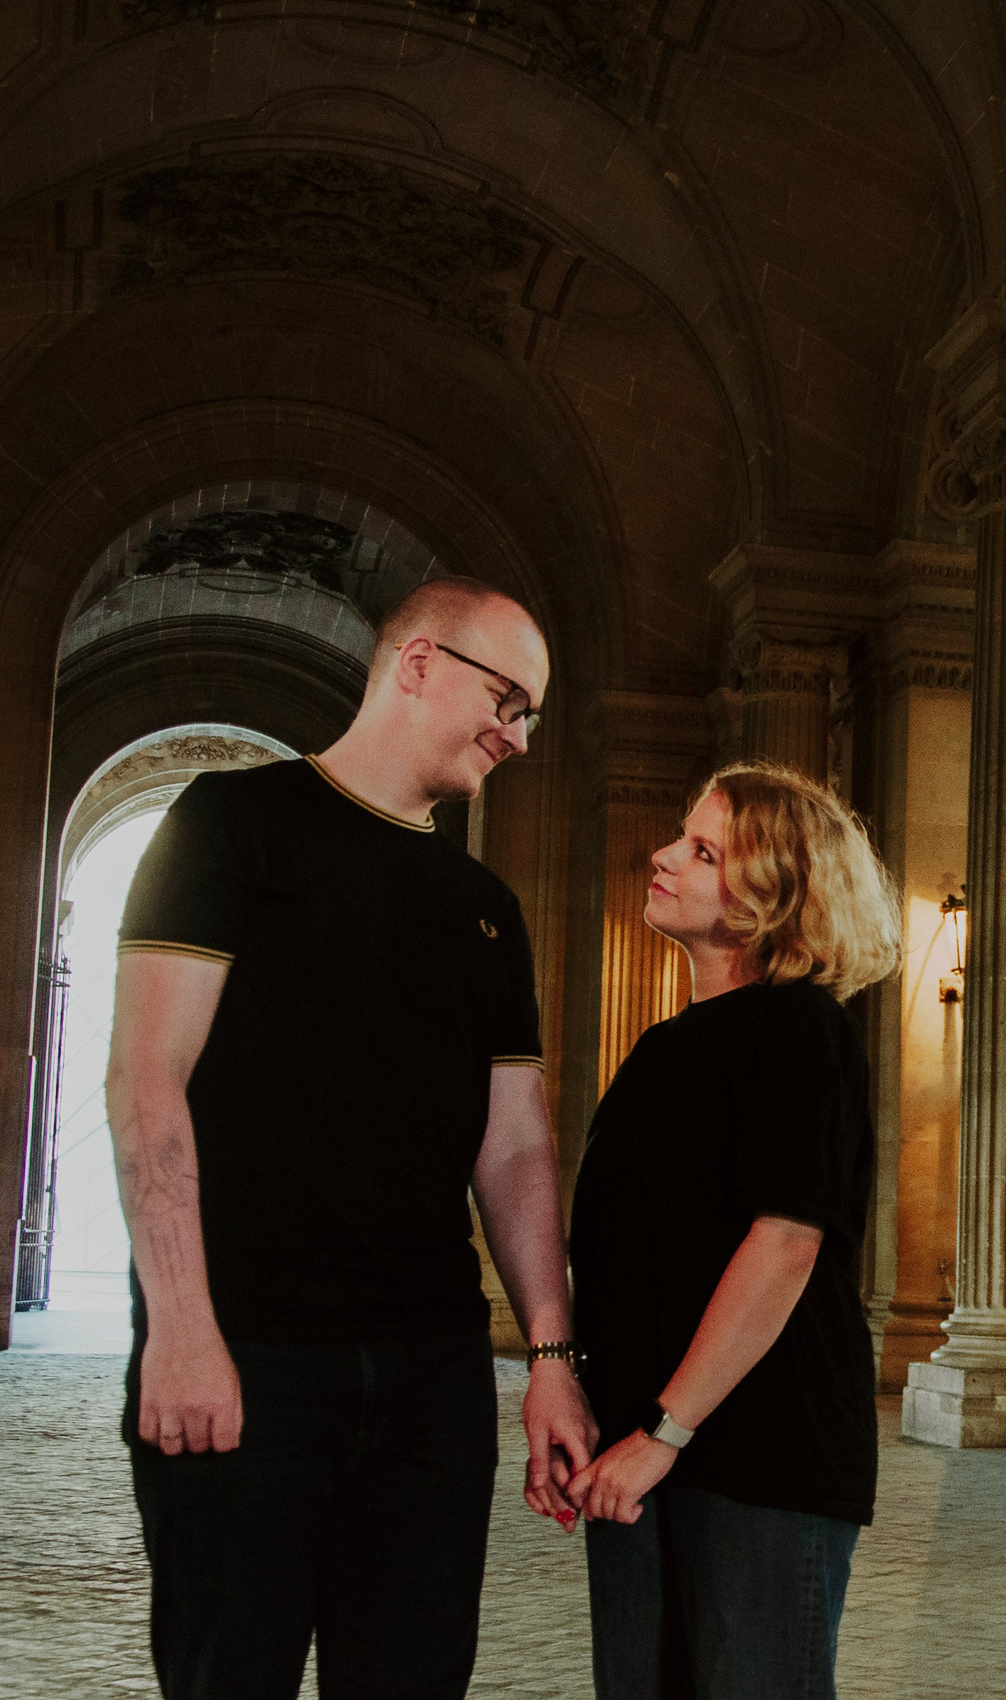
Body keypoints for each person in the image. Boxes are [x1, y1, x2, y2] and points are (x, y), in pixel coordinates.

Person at [105, 577, 597, 1700]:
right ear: (418, 661)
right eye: (508, 698)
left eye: (532, 716)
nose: (517, 736)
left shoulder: (486, 907)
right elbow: (145, 1080)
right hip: (248, 1357)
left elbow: (514, 1145)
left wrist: (553, 1356)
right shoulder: (230, 823)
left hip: (429, 1373)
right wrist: (178, 1325)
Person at [564, 761, 901, 1700]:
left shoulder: (799, 1029)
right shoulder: (662, 1046)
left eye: (704, 852)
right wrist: (592, 1415)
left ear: (771, 898)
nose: (664, 855)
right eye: (682, 836)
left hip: (759, 1454)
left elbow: (787, 1244)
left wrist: (662, 1432)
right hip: (644, 1449)